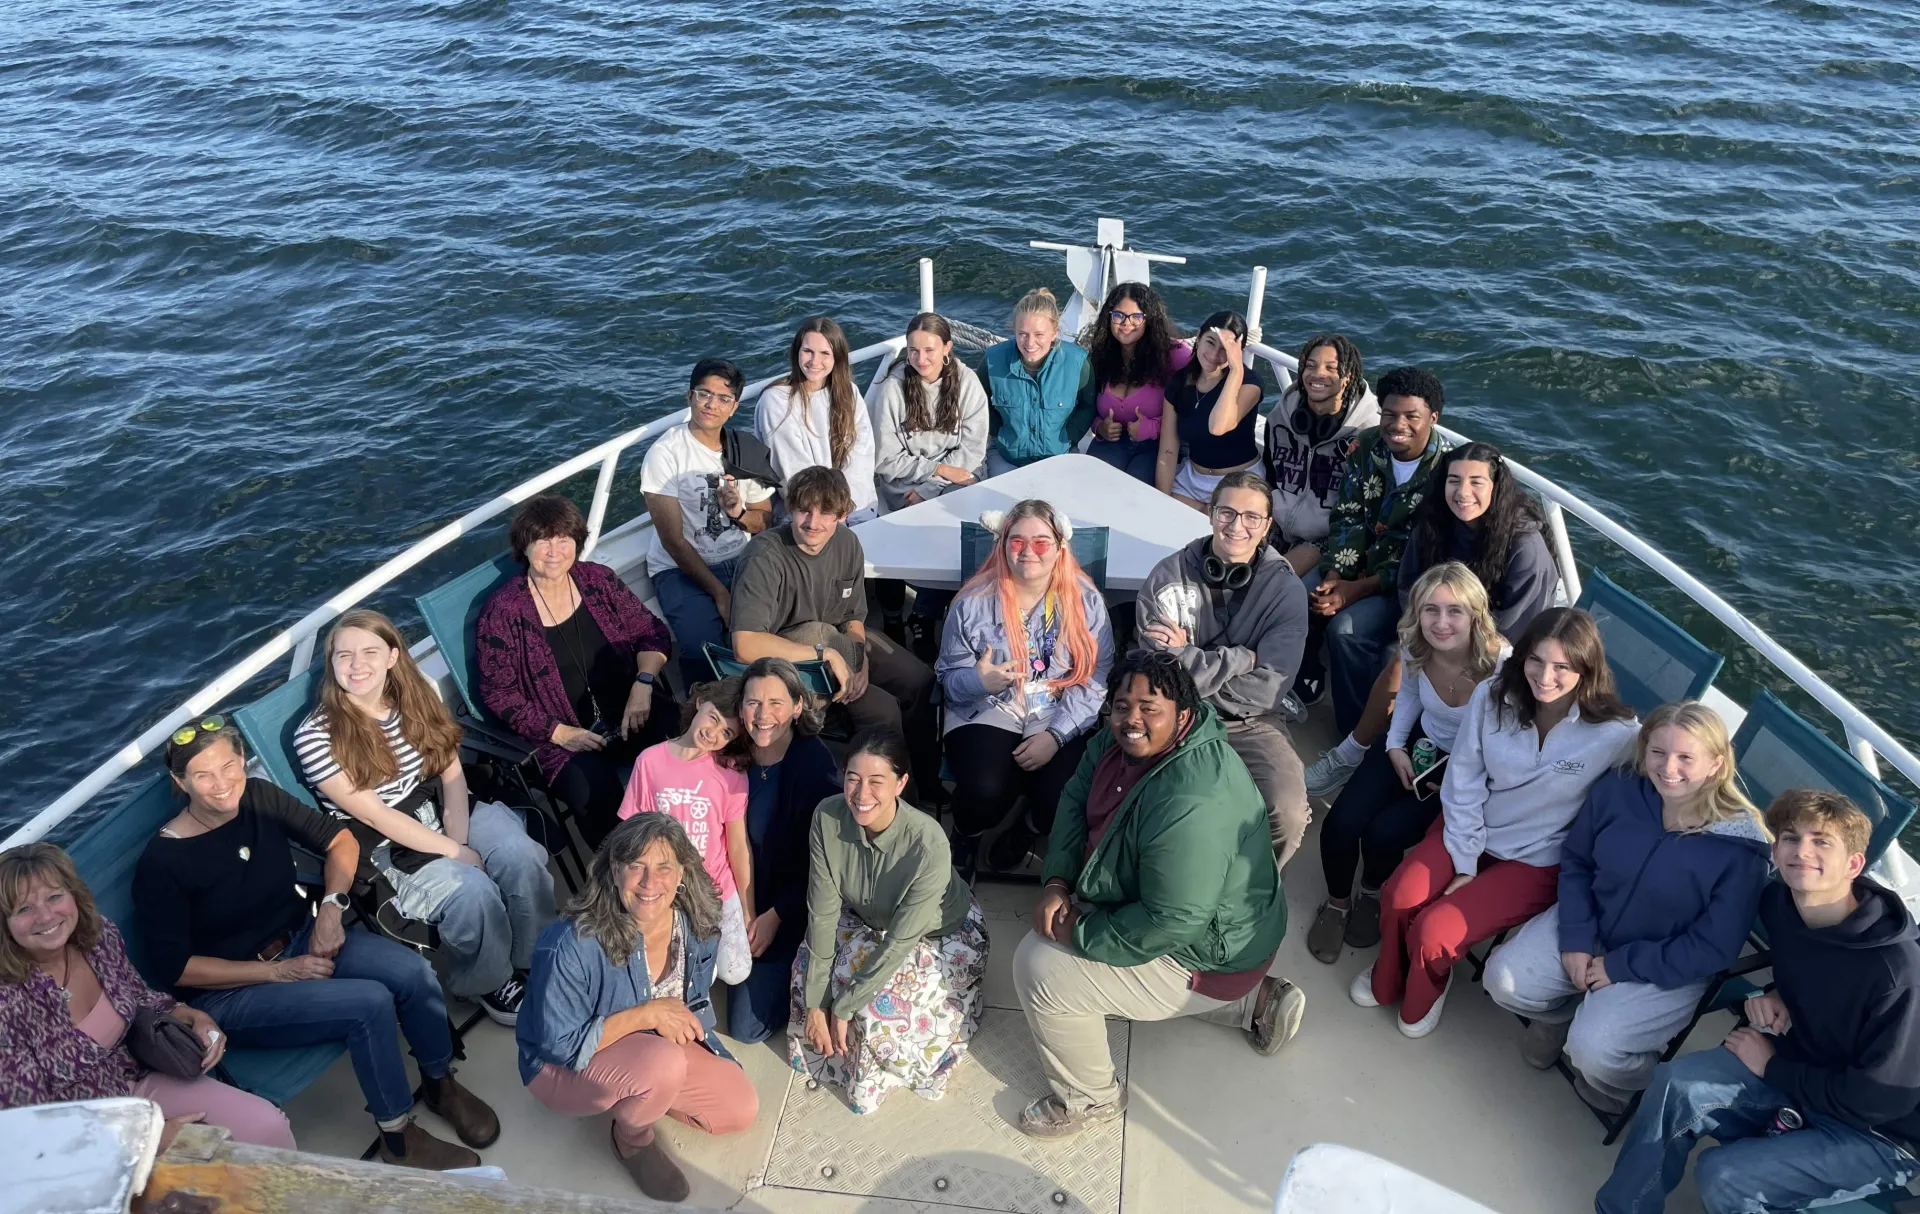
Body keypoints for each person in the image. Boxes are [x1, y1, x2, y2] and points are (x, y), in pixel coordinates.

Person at [133, 719, 494, 1169]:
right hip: (233, 992)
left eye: (230, 765)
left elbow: (339, 839)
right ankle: (398, 1138)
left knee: (411, 971)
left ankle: (440, 1083)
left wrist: (331, 907)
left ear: (243, 761)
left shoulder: (259, 798)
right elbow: (177, 968)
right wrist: (278, 971)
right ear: (179, 782)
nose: (223, 784)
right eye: (204, 776)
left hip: (303, 938)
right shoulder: (162, 863)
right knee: (369, 1004)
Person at [1012, 652, 1302, 1140]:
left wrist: (1078, 930)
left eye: (1150, 707)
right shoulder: (1118, 740)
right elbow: (1075, 799)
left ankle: (1091, 1099)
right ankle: (1258, 1003)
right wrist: (1058, 881)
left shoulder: (1193, 798)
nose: (1132, 720)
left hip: (1207, 954)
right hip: (1216, 930)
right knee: (1064, 920)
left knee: (1040, 965)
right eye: (1121, 705)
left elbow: (1172, 921)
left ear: (1183, 714)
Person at [1595, 790, 1920, 1214]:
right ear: (1775, 848)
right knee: (1676, 1084)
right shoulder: (1780, 903)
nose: (1802, 851)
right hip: (1805, 1073)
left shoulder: (1897, 973)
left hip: (1876, 1133)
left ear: (1854, 865)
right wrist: (1778, 992)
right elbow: (1823, 967)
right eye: (1791, 838)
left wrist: (1771, 1066)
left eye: (1822, 841)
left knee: (1724, 1176)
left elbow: (1880, 1100)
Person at [1354, 607, 1637, 1037]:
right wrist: (1466, 861)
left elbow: (1673, 763)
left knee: (1434, 930)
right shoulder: (1492, 697)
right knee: (1398, 896)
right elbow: (1463, 778)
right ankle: (1389, 971)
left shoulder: (1616, 734)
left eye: (1563, 666)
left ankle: (1427, 983)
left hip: (1534, 859)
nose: (1545, 676)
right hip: (1469, 830)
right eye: (1536, 660)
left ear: (1586, 668)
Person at [1486, 700, 1770, 1113]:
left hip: (1665, 964)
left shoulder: (1741, 850)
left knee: (1596, 1053)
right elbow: (1579, 861)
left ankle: (1628, 1082)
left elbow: (1714, 947)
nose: (1668, 768)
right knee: (1503, 980)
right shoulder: (1620, 789)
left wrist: (1621, 967)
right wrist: (1578, 937)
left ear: (1716, 764)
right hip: (1595, 923)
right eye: (1658, 752)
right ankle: (1560, 1018)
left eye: (1686, 757)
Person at [296, 608, 556, 1025]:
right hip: (391, 841)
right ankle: (489, 980)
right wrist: (455, 852)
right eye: (344, 656)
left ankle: (532, 953)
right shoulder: (316, 736)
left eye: (369, 652)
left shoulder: (414, 697)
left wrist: (460, 839)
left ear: (393, 656)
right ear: (331, 663)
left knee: (519, 855)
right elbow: (378, 816)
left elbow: (451, 769)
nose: (357, 665)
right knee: (473, 892)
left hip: (443, 806)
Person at [517, 814, 759, 1204]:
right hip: (558, 1066)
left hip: (649, 1049)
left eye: (664, 866)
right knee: (663, 1063)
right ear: (614, 871)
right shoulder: (569, 943)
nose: (650, 883)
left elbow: (693, 1009)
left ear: (682, 871)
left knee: (738, 1109)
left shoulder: (698, 923)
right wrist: (647, 1015)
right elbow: (556, 1046)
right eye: (636, 867)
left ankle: (644, 1091)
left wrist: (704, 1052)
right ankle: (630, 1139)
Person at [1306, 439, 1558, 799]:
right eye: (1454, 480)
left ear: (1497, 487)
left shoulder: (1523, 545)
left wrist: (1443, 643)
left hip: (1489, 642)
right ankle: (1367, 734)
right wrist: (1424, 626)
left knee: (1399, 663)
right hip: (1427, 616)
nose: (1463, 492)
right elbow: (1409, 584)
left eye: (1476, 482)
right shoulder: (1435, 520)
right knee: (1346, 632)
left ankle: (1351, 753)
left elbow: (1520, 626)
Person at [0, 843, 295, 1149]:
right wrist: (144, 1138)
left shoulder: (97, 939)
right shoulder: (7, 1003)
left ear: (73, 894)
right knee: (195, 1175)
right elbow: (26, 1123)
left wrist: (193, 1016)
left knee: (266, 1127)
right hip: (81, 1134)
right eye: (24, 909)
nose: (45, 915)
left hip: (140, 1081)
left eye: (54, 896)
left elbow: (141, 999)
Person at [1305, 563, 1508, 964]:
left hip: (1464, 769)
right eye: (1431, 610)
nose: (1441, 622)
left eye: (1455, 611)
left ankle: (1371, 892)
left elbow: (1506, 743)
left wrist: (1458, 778)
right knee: (1342, 822)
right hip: (1418, 741)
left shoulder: (1502, 669)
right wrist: (1395, 745)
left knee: (1385, 833)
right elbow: (1411, 694)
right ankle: (1338, 902)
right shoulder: (1417, 644)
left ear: (1475, 614)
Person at [791, 731, 988, 1115]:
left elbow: (900, 941)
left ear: (901, 783)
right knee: (806, 975)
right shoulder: (827, 818)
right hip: (865, 920)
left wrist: (844, 1005)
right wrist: (817, 1001)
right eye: (852, 778)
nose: (861, 794)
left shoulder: (927, 842)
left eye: (876, 781)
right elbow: (822, 912)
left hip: (933, 934)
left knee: (874, 1009)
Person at [477, 494, 677, 850]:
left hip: (632, 709)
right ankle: (621, 880)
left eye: (564, 539)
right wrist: (558, 732)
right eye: (543, 540)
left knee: (683, 741)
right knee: (597, 794)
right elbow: (498, 692)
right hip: (566, 738)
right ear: (524, 546)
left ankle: (691, 844)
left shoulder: (598, 581)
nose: (554, 551)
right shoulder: (504, 612)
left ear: (577, 542)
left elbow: (652, 632)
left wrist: (644, 683)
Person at [1135, 470, 1312, 869]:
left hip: (1253, 720)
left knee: (1288, 812)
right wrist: (1241, 659)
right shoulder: (1167, 577)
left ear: (1267, 525)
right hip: (1173, 711)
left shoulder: (1286, 592)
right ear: (1211, 514)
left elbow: (1267, 690)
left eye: (1252, 517)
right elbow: (1159, 674)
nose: (1237, 526)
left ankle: (1254, 889)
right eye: (1227, 513)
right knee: (1155, 801)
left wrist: (1186, 655)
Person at [937, 499, 1113, 880]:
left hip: (1057, 706)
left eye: (1040, 542)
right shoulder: (971, 602)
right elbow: (949, 679)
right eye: (1016, 541)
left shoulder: (1087, 602)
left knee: (1065, 796)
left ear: (1059, 548)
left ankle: (1028, 827)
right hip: (989, 706)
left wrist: (1056, 735)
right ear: (1002, 545)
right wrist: (978, 681)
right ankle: (967, 832)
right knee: (985, 788)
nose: (1028, 551)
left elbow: (1094, 680)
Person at [729, 466, 937, 789]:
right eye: (804, 511)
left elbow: (853, 618)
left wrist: (861, 659)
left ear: (843, 514)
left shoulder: (848, 544)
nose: (813, 523)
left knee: (919, 679)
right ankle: (893, 800)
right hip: (795, 659)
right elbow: (744, 643)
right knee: (884, 711)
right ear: (791, 507)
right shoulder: (764, 558)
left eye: (826, 512)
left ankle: (925, 775)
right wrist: (822, 654)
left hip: (837, 644)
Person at [1305, 365, 1452, 736]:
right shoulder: (1365, 446)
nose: (1397, 424)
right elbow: (1347, 515)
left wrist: (1357, 589)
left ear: (1432, 418)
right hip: (1351, 564)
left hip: (1401, 585)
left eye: (1410, 416)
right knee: (1296, 592)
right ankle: (1303, 679)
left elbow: (1420, 559)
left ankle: (1358, 734)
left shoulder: (1445, 475)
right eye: (1389, 414)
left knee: (1346, 631)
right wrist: (1335, 577)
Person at [641, 358, 778, 688]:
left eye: (723, 398)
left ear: (734, 407)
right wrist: (720, 594)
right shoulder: (666, 454)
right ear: (689, 396)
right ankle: (699, 705)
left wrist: (740, 514)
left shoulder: (743, 449)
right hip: (681, 569)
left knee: (772, 629)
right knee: (703, 645)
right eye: (704, 394)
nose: (711, 404)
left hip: (740, 559)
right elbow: (673, 541)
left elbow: (765, 521)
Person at [727, 657, 840, 1044]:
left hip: (789, 904)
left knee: (746, 1027)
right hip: (732, 895)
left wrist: (775, 915)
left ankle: (803, 976)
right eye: (753, 702)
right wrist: (741, 911)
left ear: (797, 706)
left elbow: (827, 863)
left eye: (776, 703)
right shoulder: (728, 752)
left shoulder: (814, 767)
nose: (763, 715)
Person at [617, 678, 754, 988]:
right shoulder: (650, 761)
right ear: (700, 702)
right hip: (671, 890)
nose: (713, 732)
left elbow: (737, 845)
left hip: (718, 888)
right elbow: (632, 834)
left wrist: (747, 909)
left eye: (726, 733)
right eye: (714, 718)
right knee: (701, 977)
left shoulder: (731, 773)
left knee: (736, 971)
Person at [1262, 332, 1377, 583]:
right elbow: (1270, 475)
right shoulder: (1280, 418)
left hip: (1327, 535)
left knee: (1270, 581)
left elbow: (1365, 510)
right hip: (1277, 519)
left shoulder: (1368, 433)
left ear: (1347, 377)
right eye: (1310, 365)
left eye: (1330, 368)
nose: (1318, 374)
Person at [755, 316, 879, 522]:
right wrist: (829, 511)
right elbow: (791, 471)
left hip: (851, 508)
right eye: (808, 351)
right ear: (797, 353)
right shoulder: (776, 401)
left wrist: (845, 507)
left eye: (824, 353)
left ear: (837, 357)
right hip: (806, 513)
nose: (814, 362)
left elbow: (861, 458)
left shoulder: (850, 393)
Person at [871, 312, 989, 512]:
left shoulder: (967, 383)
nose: (921, 359)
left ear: (947, 348)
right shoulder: (893, 388)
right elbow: (886, 459)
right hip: (906, 488)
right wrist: (938, 470)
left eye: (929, 350)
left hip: (958, 475)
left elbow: (973, 450)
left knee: (959, 503)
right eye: (913, 350)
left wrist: (930, 488)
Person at [979, 287, 1096, 476]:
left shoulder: (1078, 363)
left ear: (1054, 333)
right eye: (1022, 334)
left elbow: (1088, 405)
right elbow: (979, 401)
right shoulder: (993, 361)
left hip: (1060, 455)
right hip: (1007, 457)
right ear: (1014, 331)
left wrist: (1069, 437)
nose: (1030, 343)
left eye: (1039, 334)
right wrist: (999, 431)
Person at [1081, 282, 1190, 483]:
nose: (1126, 323)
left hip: (1156, 444)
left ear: (1150, 320)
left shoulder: (1174, 354)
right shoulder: (1100, 354)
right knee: (1093, 483)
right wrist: (1100, 427)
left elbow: (1195, 405)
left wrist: (1153, 428)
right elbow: (1087, 405)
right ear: (1109, 317)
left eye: (1136, 317)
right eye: (1118, 315)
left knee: (1134, 487)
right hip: (1113, 443)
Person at [1155, 311, 1264, 509]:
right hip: (1191, 481)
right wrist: (1163, 501)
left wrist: (1236, 370)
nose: (1215, 355)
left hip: (1238, 482)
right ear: (1199, 336)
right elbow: (1168, 451)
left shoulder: (1250, 385)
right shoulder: (1179, 383)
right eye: (1210, 342)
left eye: (1225, 349)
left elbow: (1218, 426)